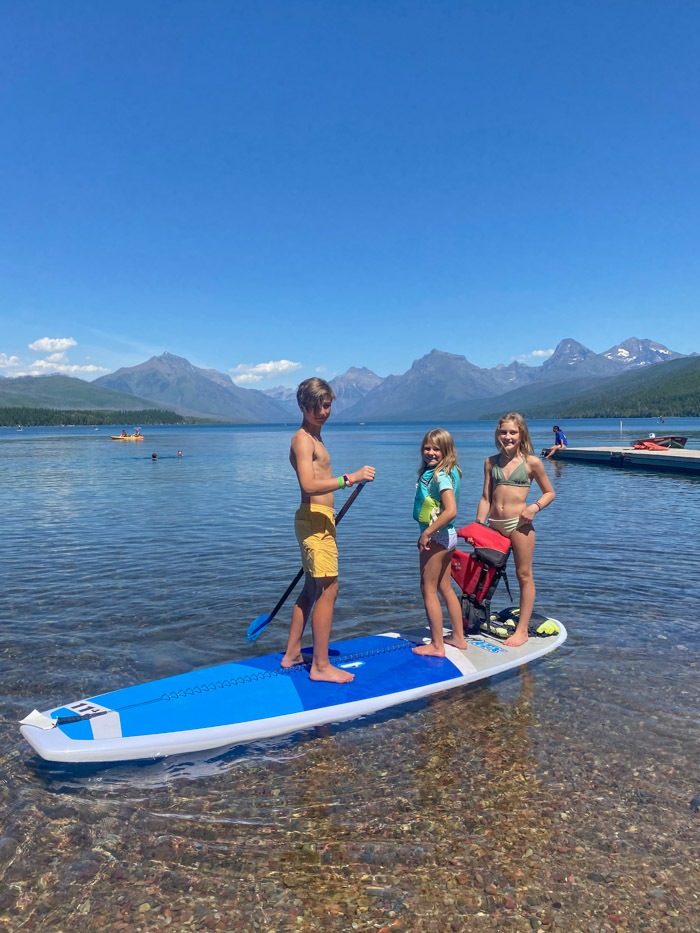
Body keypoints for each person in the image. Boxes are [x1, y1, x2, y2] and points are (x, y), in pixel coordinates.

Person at [281, 377, 376, 683]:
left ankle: (293, 653)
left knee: (312, 589)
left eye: (326, 404)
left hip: (322, 519)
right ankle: (320, 666)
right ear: (301, 406)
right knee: (329, 589)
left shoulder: (316, 438)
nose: (322, 411)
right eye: (314, 406)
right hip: (314, 520)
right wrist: (349, 478)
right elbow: (308, 484)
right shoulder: (302, 440)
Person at [476, 413, 555, 647]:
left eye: (513, 432)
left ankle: (522, 631)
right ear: (497, 434)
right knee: (484, 575)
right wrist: (478, 526)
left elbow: (549, 492)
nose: (508, 437)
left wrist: (534, 508)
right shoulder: (490, 462)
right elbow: (485, 497)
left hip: (520, 526)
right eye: (503, 432)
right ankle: (475, 617)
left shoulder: (532, 463)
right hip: (494, 526)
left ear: (521, 434)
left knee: (523, 575)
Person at [412, 429, 466, 657]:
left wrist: (427, 534)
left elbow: (451, 510)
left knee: (428, 589)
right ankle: (458, 638)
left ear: (446, 450)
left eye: (436, 449)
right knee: (444, 587)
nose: (431, 453)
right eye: (427, 448)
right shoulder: (449, 470)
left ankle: (437, 645)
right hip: (448, 536)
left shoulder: (440, 476)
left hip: (437, 537)